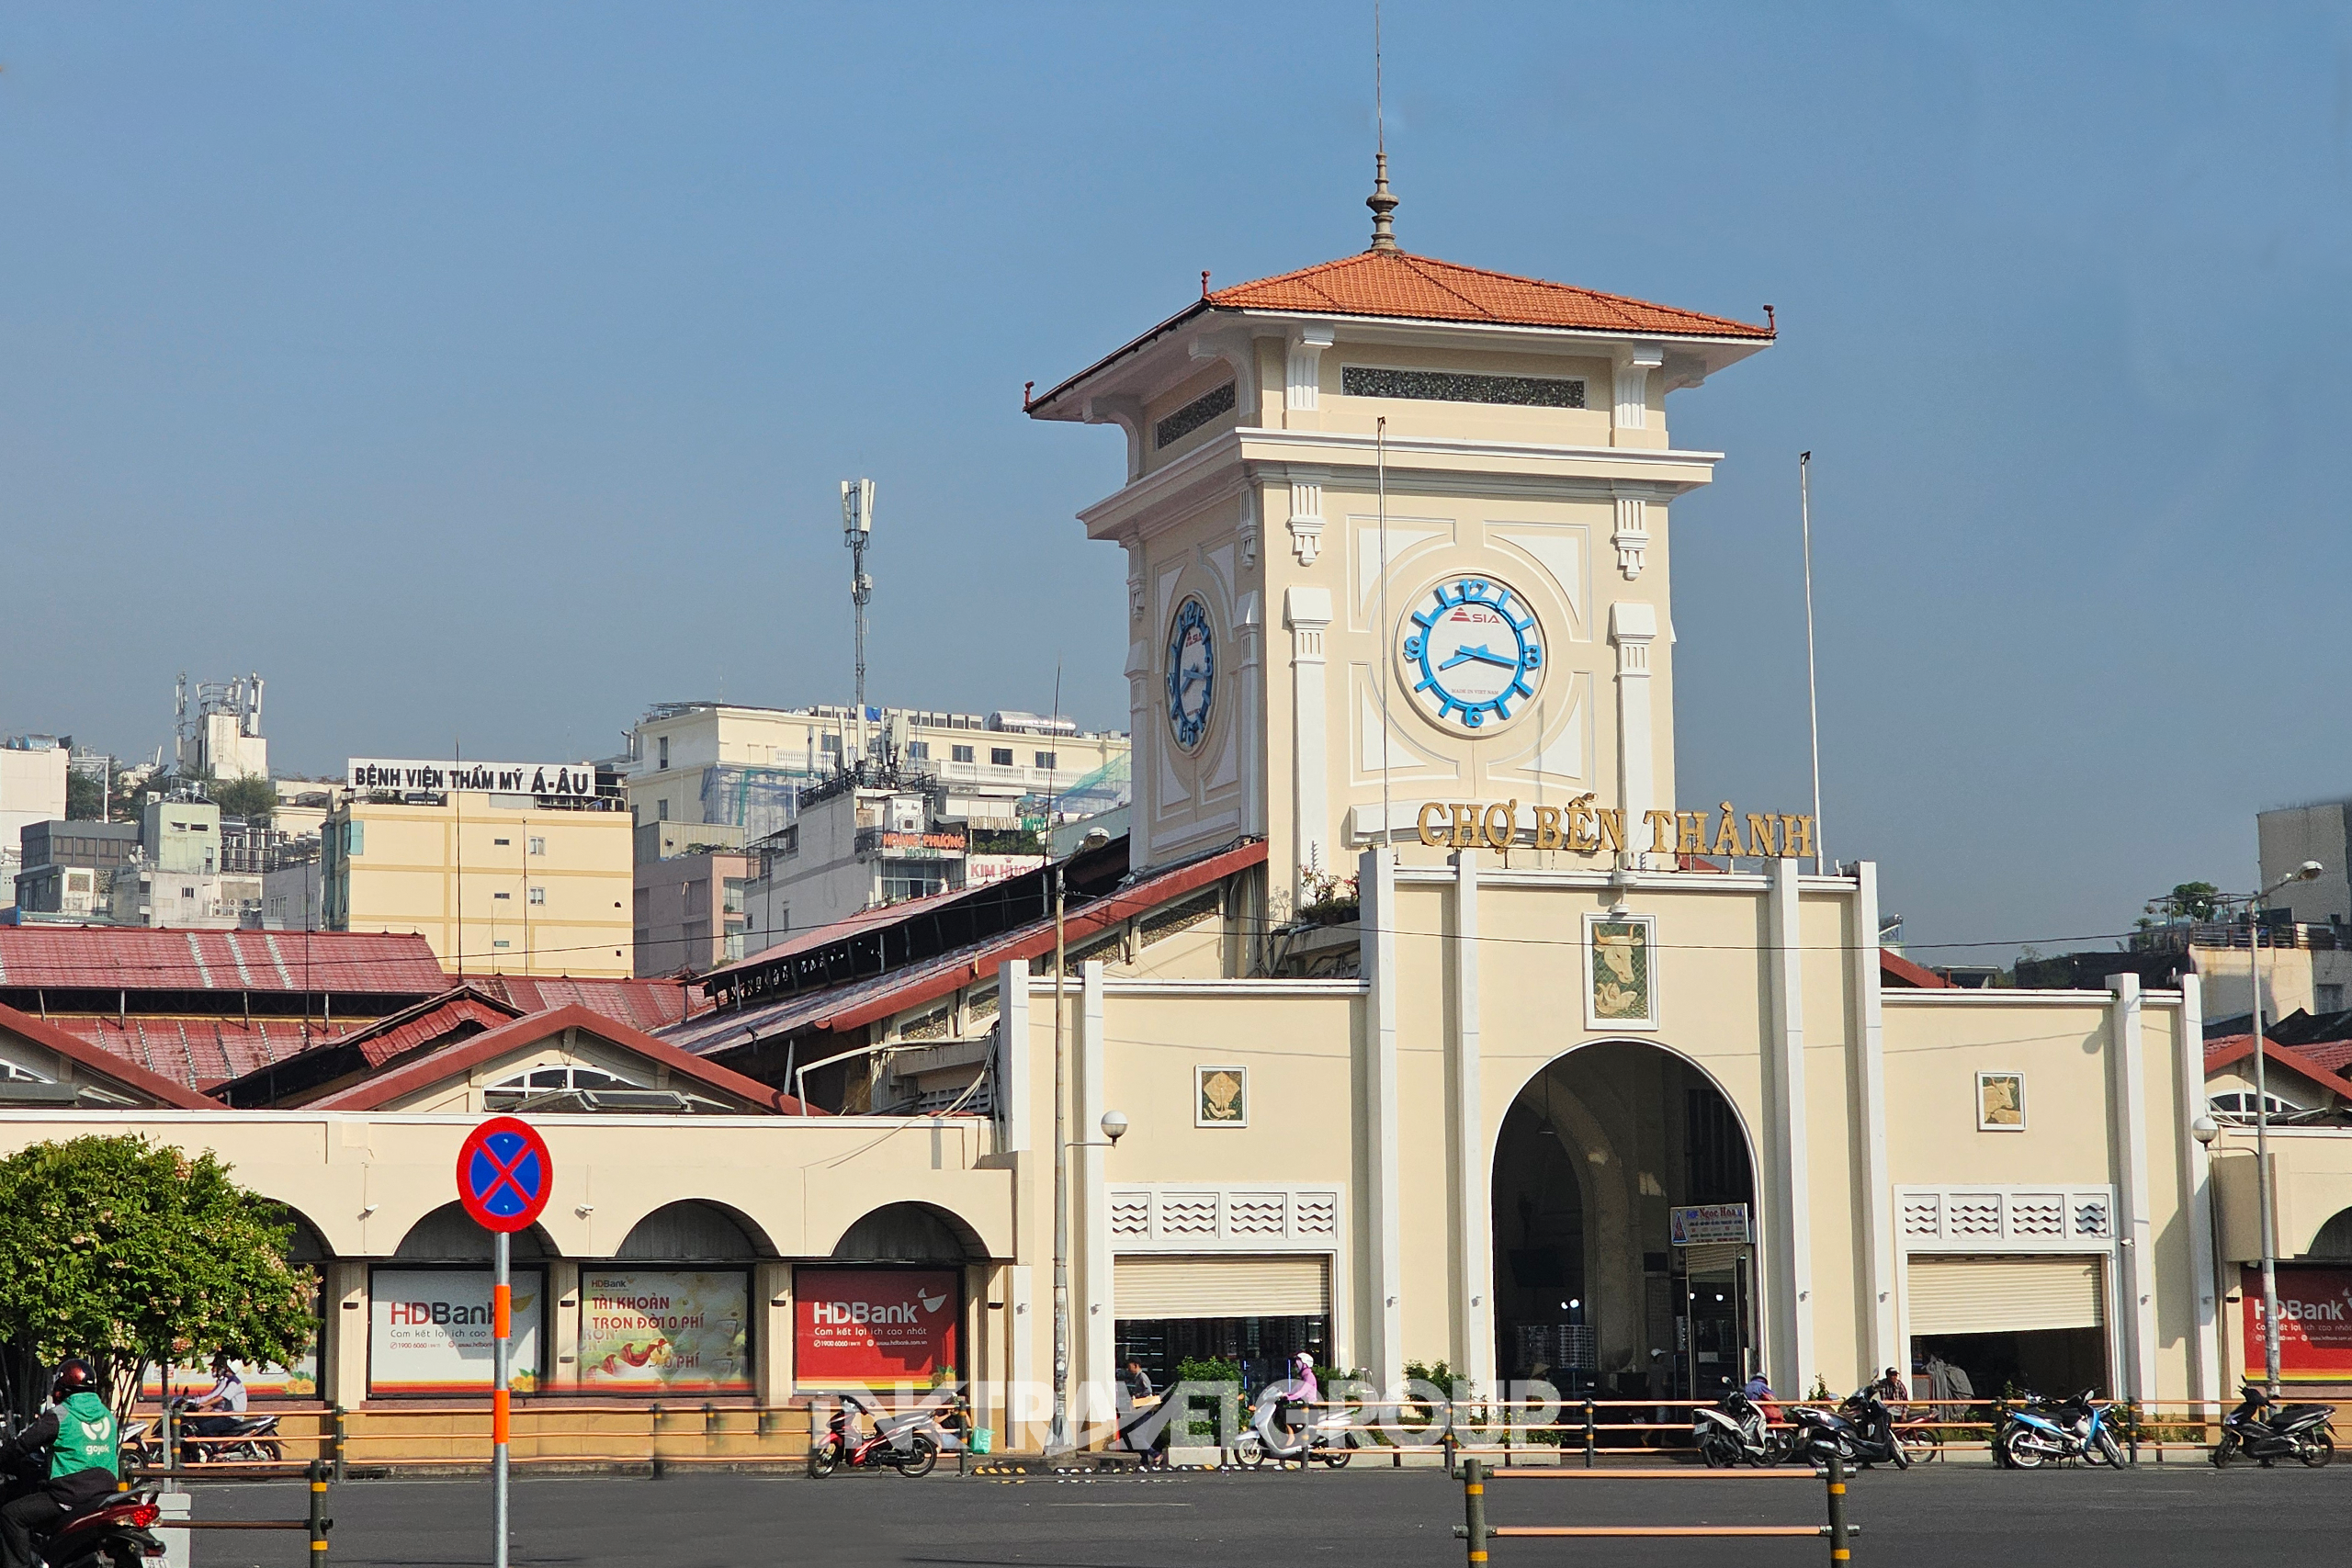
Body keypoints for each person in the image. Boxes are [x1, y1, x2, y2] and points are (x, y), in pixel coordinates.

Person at [0, 1359, 119, 1568]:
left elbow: (22, 1444)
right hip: (105, 1493)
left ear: (61, 1389)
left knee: (11, 1514)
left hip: (70, 1494)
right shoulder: (107, 1415)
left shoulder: (60, 1415)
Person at [183, 1353, 249, 1460]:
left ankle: (217, 1450)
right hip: (226, 1415)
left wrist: (204, 1403)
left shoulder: (234, 1382)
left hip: (232, 1417)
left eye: (218, 1367)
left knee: (204, 1426)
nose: (215, 1369)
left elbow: (221, 1397)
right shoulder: (226, 1381)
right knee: (198, 1422)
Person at [1116, 1359, 1168, 1469]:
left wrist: (1136, 1397)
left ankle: (1156, 1454)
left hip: (1145, 1411)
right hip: (1141, 1411)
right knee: (1138, 1436)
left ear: (1136, 1365)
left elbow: (1148, 1392)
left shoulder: (1142, 1376)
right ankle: (1144, 1461)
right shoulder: (1137, 1378)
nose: (1128, 1369)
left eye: (1129, 1366)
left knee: (1137, 1437)